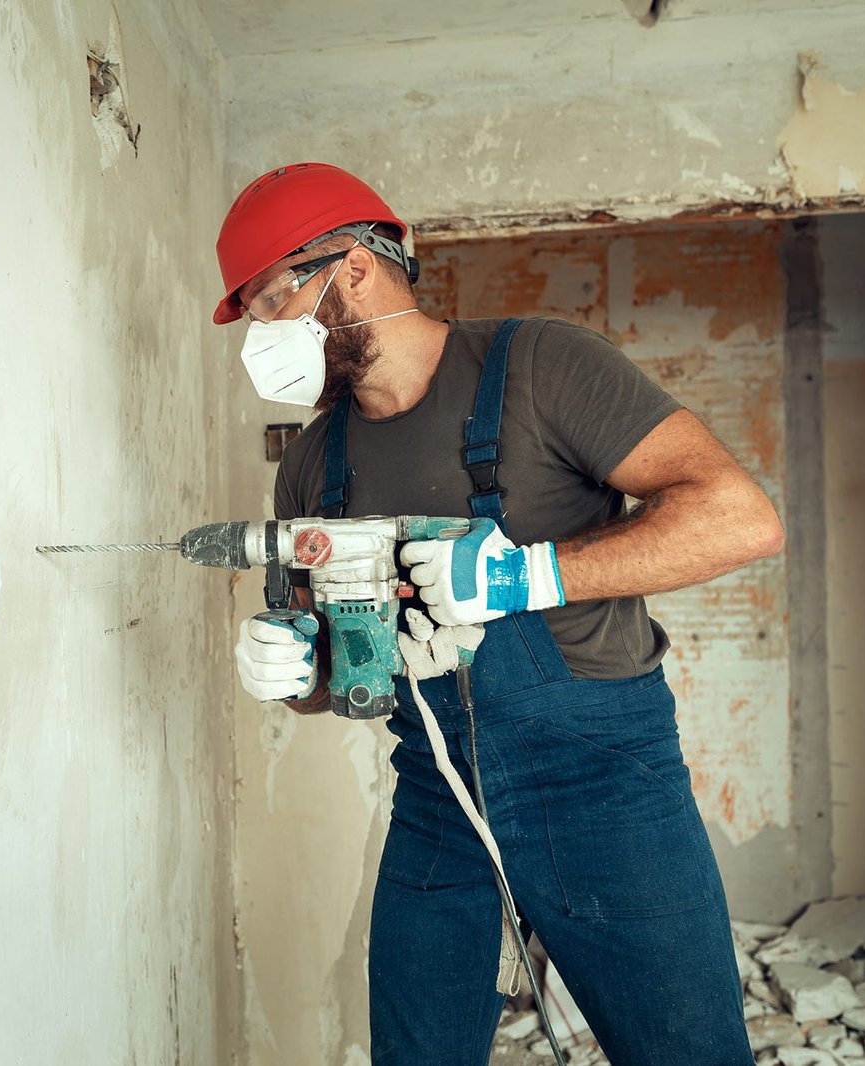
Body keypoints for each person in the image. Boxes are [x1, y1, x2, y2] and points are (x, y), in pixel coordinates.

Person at [215, 162, 783, 1066]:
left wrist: (531, 578)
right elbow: (333, 681)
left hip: (608, 792)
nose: (261, 340)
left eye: (269, 304)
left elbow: (740, 518)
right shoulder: (313, 466)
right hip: (439, 802)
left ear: (351, 270)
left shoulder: (543, 366)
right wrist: (291, 672)